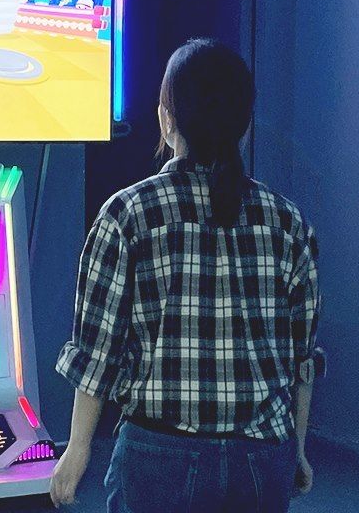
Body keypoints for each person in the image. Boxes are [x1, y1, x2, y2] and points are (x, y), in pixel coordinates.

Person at [51, 39, 320, 513]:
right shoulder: (287, 221)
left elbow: (97, 351)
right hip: (263, 458)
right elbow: (302, 357)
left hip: (158, 456)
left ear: (166, 119)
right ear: (244, 123)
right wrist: (296, 448)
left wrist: (77, 449)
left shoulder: (127, 213)